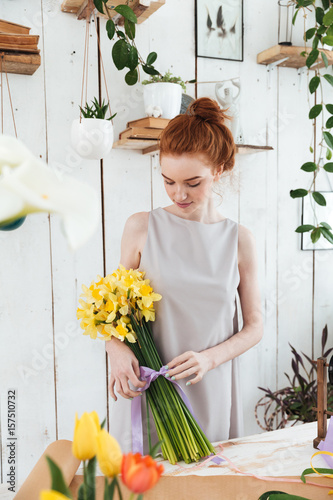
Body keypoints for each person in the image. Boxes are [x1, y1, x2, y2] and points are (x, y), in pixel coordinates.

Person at [105, 97, 263, 454]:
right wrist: (114, 349)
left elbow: (255, 326)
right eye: (168, 181)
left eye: (193, 182)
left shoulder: (240, 240)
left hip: (211, 386)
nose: (179, 194)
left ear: (219, 170)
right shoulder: (141, 227)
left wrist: (209, 359)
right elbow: (111, 311)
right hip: (148, 389)